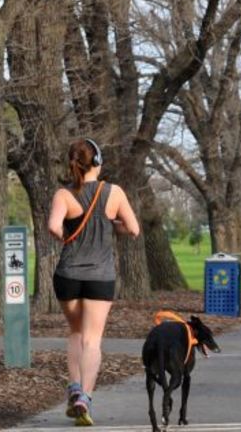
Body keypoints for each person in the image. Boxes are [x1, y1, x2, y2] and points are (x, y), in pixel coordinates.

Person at [48, 138, 140, 426]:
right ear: (97, 161)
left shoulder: (63, 194)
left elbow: (52, 225)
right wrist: (112, 224)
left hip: (68, 274)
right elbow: (134, 229)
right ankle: (84, 398)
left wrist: (68, 237)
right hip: (100, 276)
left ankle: (74, 387)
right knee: (92, 339)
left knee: (75, 333)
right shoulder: (114, 193)